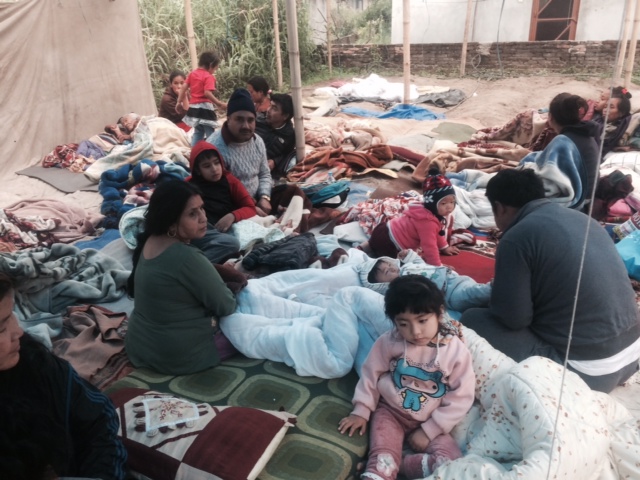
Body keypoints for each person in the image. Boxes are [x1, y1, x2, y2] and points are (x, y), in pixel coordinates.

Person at [460, 169, 640, 393]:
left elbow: (513, 319)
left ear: (499, 207)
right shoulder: (585, 220)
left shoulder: (516, 237)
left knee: (474, 319)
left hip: (589, 374)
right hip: (631, 358)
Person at [338, 275, 475, 480]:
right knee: (381, 460)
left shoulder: (455, 351)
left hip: (430, 419)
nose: (415, 332)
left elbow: (462, 396)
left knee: (450, 463)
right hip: (390, 413)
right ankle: (382, 466)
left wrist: (430, 430)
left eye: (422, 321)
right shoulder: (389, 341)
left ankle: (397, 465)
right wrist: (361, 410)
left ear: (439, 314)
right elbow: (370, 374)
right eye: (403, 324)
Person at [0, 272, 127, 479]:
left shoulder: (34, 364)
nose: (19, 332)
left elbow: (98, 419)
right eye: (2, 327)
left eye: (12, 314)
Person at [125, 180, 237, 375]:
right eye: (192, 214)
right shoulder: (186, 257)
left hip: (141, 345)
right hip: (178, 353)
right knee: (251, 323)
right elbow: (226, 305)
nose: (203, 218)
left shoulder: (150, 239)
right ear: (171, 221)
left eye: (202, 208)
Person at [358, 167, 460, 266]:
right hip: (391, 244)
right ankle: (367, 257)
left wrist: (444, 247)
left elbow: (438, 232)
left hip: (383, 229)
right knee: (399, 265)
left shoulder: (424, 211)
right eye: (443, 203)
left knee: (373, 245)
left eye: (452, 202)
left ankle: (364, 248)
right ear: (432, 203)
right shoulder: (427, 222)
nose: (449, 207)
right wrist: (437, 266)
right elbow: (429, 246)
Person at [357, 248, 491, 313]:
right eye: (387, 272)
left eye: (389, 264)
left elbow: (419, 263)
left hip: (454, 278)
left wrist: (409, 255)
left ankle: (492, 297)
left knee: (476, 293)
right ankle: (494, 289)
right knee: (473, 293)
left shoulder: (407, 267)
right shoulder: (402, 287)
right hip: (449, 295)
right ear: (383, 285)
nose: (392, 268)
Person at [188, 140, 256, 263]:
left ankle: (195, 264)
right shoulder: (189, 185)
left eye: (216, 163)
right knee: (230, 244)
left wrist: (232, 216)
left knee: (232, 244)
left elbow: (250, 207)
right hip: (196, 229)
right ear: (198, 170)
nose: (214, 169)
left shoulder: (230, 181)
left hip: (219, 231)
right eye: (207, 166)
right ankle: (195, 265)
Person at [208, 87, 273, 216]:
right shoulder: (214, 148)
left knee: (294, 194)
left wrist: (265, 197)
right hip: (232, 207)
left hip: (259, 199)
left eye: (250, 120)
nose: (246, 126)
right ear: (228, 119)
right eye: (239, 119)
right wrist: (250, 207)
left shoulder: (258, 141)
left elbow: (264, 174)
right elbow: (219, 191)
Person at [536, 92, 600, 209]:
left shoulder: (563, 141)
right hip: (588, 196)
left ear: (550, 117)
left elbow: (549, 180)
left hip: (575, 201)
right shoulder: (587, 136)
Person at [177, 51, 227, 146]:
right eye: (215, 69)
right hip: (205, 109)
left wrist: (178, 102)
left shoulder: (192, 74)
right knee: (210, 133)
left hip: (194, 109)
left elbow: (183, 87)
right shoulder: (209, 77)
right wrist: (219, 103)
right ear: (211, 65)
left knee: (198, 132)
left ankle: (194, 151)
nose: (214, 71)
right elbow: (207, 93)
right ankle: (213, 150)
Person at [255, 92, 296, 177]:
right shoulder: (257, 122)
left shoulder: (289, 135)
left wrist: (275, 161)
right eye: (270, 105)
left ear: (285, 116)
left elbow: (287, 154)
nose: (268, 110)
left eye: (274, 108)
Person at [592, 86, 633, 156]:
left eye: (611, 107)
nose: (605, 110)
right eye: (605, 106)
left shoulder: (622, 128)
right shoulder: (597, 121)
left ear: (622, 112)